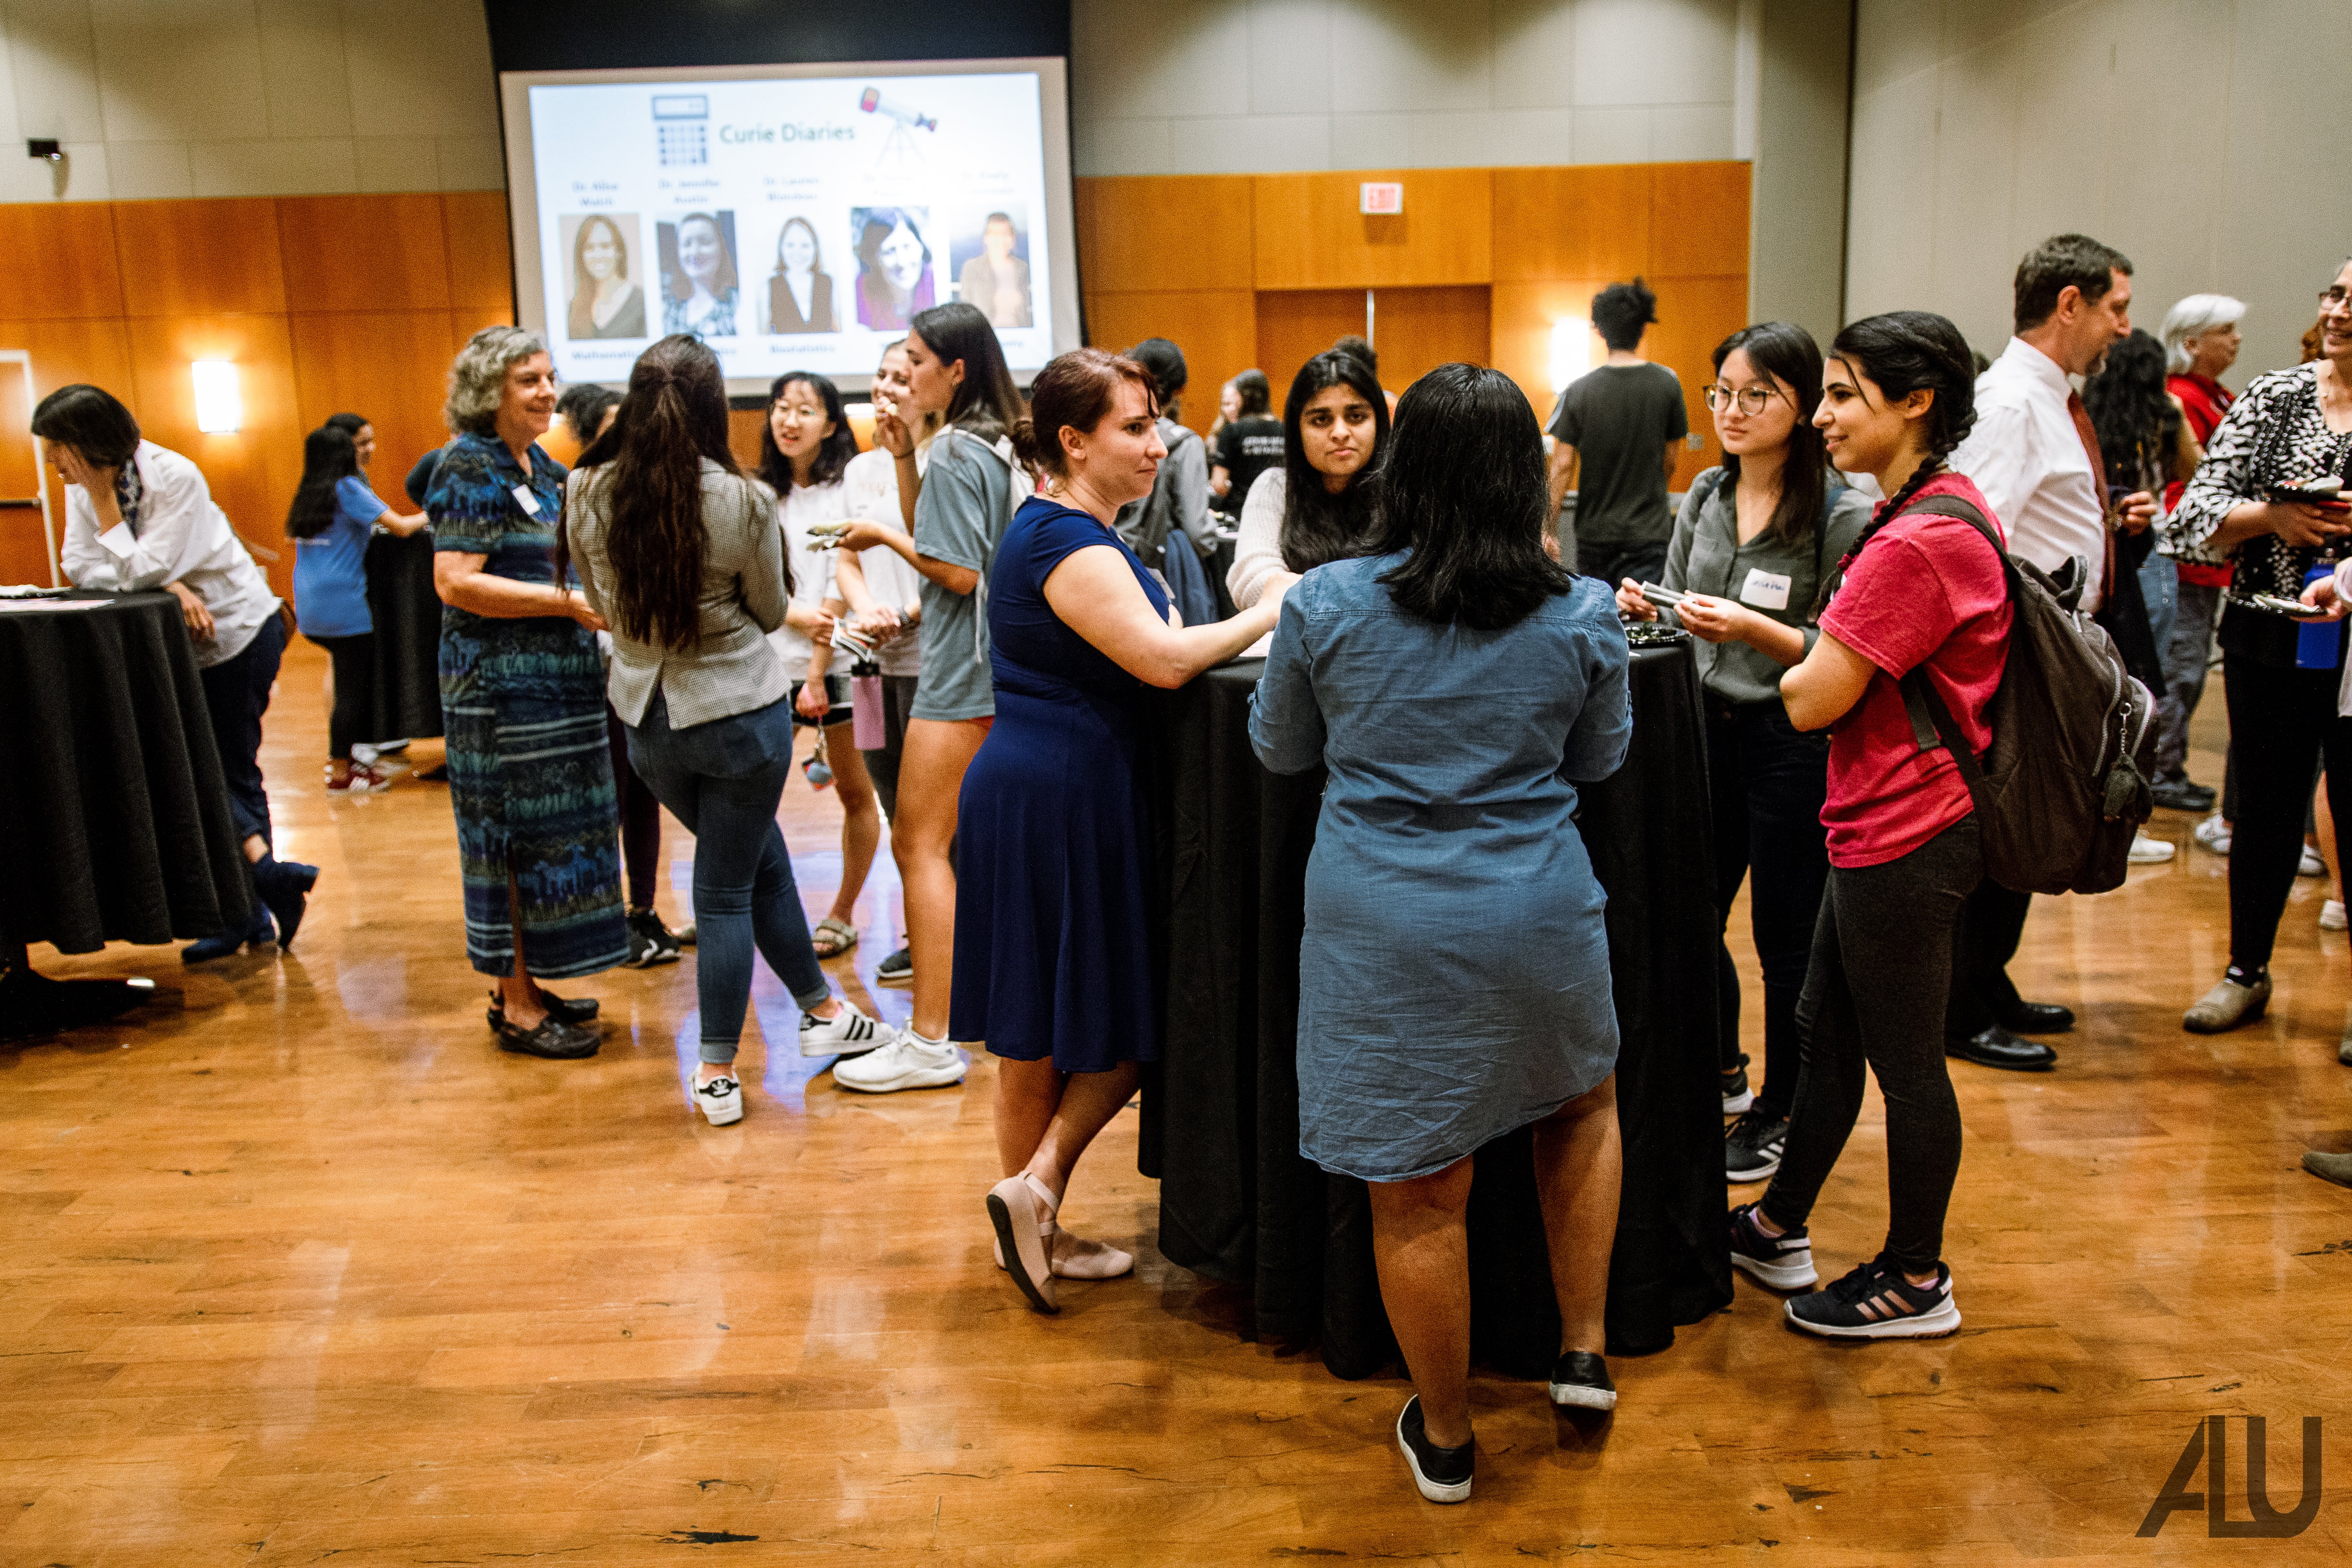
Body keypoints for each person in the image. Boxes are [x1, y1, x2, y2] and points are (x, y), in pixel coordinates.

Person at [1252, 362, 1629, 1503]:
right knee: (1580, 1106)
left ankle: (1453, 1436)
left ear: (1400, 468)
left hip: (1383, 921)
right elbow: (1600, 761)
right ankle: (1584, 1352)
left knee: (1419, 1187)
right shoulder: (1585, 611)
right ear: (1531, 477)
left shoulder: (1323, 604)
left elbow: (1281, 751)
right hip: (1540, 909)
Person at [962, 348, 1289, 1313]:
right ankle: (1037, 1197)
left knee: (1041, 1034)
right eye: (1136, 428)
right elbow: (1162, 661)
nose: (1158, 444)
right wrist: (1268, 607)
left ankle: (1031, 1219)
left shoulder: (1065, 531)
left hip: (1048, 792)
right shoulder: (1069, 541)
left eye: (1156, 423)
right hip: (1061, 800)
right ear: (1074, 442)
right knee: (1118, 1025)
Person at [1725, 310, 2011, 1341]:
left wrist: (1785, 651)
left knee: (1902, 1060)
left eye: (1844, 395)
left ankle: (1915, 1276)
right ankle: (1773, 1223)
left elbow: (1809, 699)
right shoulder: (1932, 509)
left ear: (1915, 403)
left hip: (1910, 829)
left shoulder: (1916, 541)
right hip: (1877, 822)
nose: (1826, 414)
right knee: (1824, 1030)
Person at [563, 336, 894, 1124]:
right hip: (741, 719)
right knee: (721, 891)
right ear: (716, 405)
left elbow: (597, 600)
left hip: (649, 720)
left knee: (756, 862)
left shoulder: (584, 486)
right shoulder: (740, 497)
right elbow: (774, 611)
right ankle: (716, 1068)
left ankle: (820, 1015)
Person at [1617, 323, 1871, 1184]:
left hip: (1790, 737)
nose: (1730, 410)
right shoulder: (1705, 497)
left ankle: (1783, 1110)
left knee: (1787, 939)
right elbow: (1681, 608)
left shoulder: (1843, 513)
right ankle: (1722, 1070)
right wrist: (1647, 605)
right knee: (1690, 912)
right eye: (1720, 392)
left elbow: (1841, 652)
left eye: (1755, 394)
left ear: (1802, 406)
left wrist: (1752, 627)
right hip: (1702, 726)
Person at [1941, 234, 2151, 1072]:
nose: (2124, 329)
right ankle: (1961, 1005)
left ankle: (1989, 984)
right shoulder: (2013, 402)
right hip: (2016, 654)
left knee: (2026, 820)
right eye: (2116, 308)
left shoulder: (2051, 398)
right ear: (2070, 304)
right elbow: (1973, 530)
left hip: (2049, 642)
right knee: (2004, 825)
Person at [826, 302, 1029, 1092]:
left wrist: (880, 538)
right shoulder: (979, 443)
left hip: (960, 673)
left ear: (957, 370)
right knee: (945, 847)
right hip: (988, 667)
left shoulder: (960, 451)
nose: (902, 372)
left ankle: (931, 1036)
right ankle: (951, 1019)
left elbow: (957, 570)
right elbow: (948, 537)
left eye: (915, 359)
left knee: (918, 844)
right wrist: (905, 460)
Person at [41, 384, 317, 962]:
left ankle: (252, 911)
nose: (52, 464)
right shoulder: (85, 489)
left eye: (58, 449)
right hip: (175, 644)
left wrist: (125, 535)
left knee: (227, 769)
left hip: (236, 632)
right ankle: (262, 895)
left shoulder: (174, 476)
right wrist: (163, 582)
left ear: (88, 443)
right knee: (201, 767)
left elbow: (142, 565)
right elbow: (78, 566)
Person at [2164, 259, 2352, 1038]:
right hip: (2264, 633)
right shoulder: (2277, 396)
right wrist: (2271, 517)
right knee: (2265, 807)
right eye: (2334, 292)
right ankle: (2246, 970)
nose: (2337, 309)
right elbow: (2190, 517)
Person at [428, 327, 627, 1060]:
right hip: (500, 695)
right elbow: (455, 580)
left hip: (556, 689)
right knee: (509, 840)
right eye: (527, 381)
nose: (547, 391)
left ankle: (528, 980)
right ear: (489, 392)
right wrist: (565, 601)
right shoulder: (466, 464)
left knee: (549, 836)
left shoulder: (541, 466)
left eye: (549, 377)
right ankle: (515, 1001)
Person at [757, 370, 881, 960]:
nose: (789, 420)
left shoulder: (848, 491)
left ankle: (842, 913)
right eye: (782, 408)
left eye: (806, 411)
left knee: (858, 792)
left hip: (841, 664)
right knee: (747, 798)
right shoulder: (758, 493)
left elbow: (841, 582)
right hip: (763, 664)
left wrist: (815, 669)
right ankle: (735, 905)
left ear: (832, 424)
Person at [830, 339, 937, 987]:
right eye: (882, 375)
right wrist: (867, 609)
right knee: (893, 802)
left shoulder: (943, 462)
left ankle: (951, 936)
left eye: (904, 377)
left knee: (936, 816)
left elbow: (945, 558)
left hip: (929, 657)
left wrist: (905, 616)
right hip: (869, 661)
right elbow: (846, 557)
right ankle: (917, 935)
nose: (889, 387)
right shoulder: (860, 469)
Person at [285, 423, 429, 793]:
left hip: (311, 600)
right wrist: (439, 510)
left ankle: (345, 762)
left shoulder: (309, 491)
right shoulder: (347, 487)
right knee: (353, 690)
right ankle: (341, 772)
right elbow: (401, 527)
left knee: (341, 676)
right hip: (344, 601)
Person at [2154, 294, 2246, 812]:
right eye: (2225, 331)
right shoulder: (2182, 397)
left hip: (2208, 558)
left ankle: (2169, 765)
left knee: (2187, 664)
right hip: (2188, 555)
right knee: (2182, 666)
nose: (2236, 340)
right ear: (2191, 343)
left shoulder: (2218, 396)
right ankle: (2162, 771)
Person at [1547, 278, 1689, 588]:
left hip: (1595, 535)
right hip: (1649, 533)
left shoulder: (1578, 391)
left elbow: (1562, 465)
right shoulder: (1667, 384)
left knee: (1598, 624)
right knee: (1643, 623)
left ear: (1599, 329)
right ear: (1643, 327)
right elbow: (1671, 460)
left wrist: (1548, 528)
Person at [1225, 350, 1388, 611]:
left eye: (1356, 416)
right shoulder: (1275, 487)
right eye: (1321, 420)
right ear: (1297, 430)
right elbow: (1252, 582)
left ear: (1378, 422)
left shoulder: (1402, 488)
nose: (1340, 433)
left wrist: (1302, 595)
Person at [1110, 337, 1211, 566]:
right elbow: (1197, 529)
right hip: (1161, 561)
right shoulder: (1186, 443)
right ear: (1180, 389)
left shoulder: (1110, 433)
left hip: (1109, 550)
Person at [1210, 368, 1281, 527]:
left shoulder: (1233, 431)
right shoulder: (1285, 431)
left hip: (1241, 516)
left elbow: (1218, 484)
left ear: (1243, 397)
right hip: (1278, 514)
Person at [567, 214, 646, 340]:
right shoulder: (575, 308)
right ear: (581, 256)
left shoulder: (641, 301)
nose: (598, 255)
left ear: (619, 251)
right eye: (590, 248)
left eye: (605, 246)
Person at [855, 208, 934, 331]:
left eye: (907, 247)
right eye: (890, 251)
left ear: (921, 247)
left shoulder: (934, 282)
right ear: (874, 258)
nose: (902, 262)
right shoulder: (862, 288)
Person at [662, 212, 738, 337]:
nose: (695, 252)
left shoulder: (737, 304)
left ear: (721, 248)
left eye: (705, 242)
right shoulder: (670, 310)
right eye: (687, 244)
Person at [957, 211, 1031, 329]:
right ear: (986, 238)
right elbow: (965, 307)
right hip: (984, 340)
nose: (1000, 239)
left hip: (1022, 337)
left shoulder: (1022, 268)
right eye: (995, 234)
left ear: (1013, 238)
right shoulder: (972, 267)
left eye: (1006, 234)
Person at [765, 216, 837, 334]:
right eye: (790, 245)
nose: (798, 253)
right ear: (781, 247)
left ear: (815, 248)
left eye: (805, 246)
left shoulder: (828, 283)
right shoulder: (769, 288)